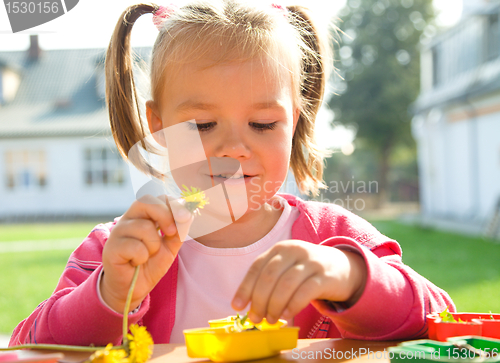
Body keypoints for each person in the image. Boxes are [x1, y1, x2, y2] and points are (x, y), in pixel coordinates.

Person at [10, 0, 454, 347]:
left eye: (262, 125)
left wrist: (349, 276)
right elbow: (27, 346)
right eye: (203, 125)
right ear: (160, 128)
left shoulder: (333, 237)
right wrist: (109, 293)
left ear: (293, 123)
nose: (234, 149)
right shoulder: (118, 249)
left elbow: (443, 321)